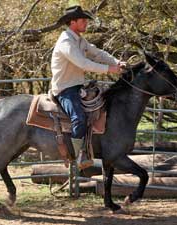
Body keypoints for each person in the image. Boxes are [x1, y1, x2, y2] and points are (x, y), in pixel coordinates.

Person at [51, 5, 124, 169]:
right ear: (72, 22)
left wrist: (116, 62)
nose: (86, 23)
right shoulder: (66, 42)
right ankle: (80, 156)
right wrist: (109, 69)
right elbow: (83, 63)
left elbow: (97, 53)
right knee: (79, 117)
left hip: (77, 87)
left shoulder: (79, 40)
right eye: (83, 20)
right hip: (64, 89)